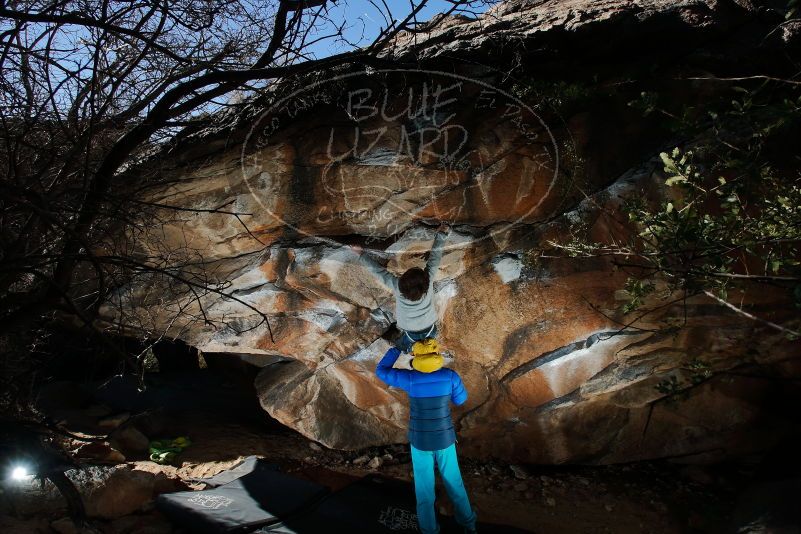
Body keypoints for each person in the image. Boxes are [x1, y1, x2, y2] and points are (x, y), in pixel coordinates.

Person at [375, 337, 477, 534]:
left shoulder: (411, 379)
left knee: (424, 490)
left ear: (416, 357)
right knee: (454, 483)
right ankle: (469, 525)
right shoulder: (450, 376)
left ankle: (429, 530)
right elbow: (461, 399)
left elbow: (381, 371)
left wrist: (398, 349)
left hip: (420, 441)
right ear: (436, 354)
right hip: (445, 440)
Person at [353, 223, 449, 352]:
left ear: (401, 281)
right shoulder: (427, 280)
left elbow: (379, 272)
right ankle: (411, 351)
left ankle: (418, 351)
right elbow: (435, 259)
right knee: (406, 345)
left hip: (428, 327)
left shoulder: (398, 286)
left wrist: (361, 254)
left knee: (423, 344)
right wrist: (441, 235)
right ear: (425, 283)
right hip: (411, 328)